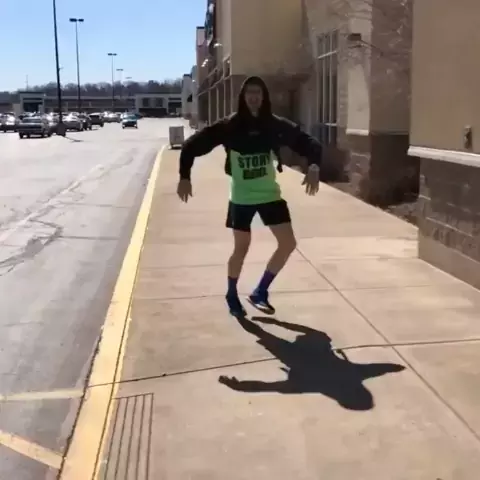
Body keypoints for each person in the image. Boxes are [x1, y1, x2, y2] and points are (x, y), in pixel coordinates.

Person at [177, 76, 322, 317]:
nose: (254, 96)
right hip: (242, 198)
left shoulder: (273, 125)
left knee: (288, 244)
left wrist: (314, 165)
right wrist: (184, 176)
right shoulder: (230, 126)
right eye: (249, 92)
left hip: (269, 194)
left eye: (258, 92)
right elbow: (192, 145)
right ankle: (231, 294)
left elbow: (308, 142)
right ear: (243, 97)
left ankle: (260, 292)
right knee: (241, 248)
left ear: (264, 97)